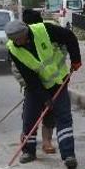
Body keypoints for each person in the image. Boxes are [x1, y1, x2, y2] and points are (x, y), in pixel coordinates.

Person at [4, 18, 82, 169]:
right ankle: (28, 151)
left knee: (63, 117)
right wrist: (44, 98)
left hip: (58, 80)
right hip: (36, 86)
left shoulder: (44, 30)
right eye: (14, 40)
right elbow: (29, 77)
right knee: (29, 117)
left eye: (19, 39)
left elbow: (69, 37)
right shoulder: (13, 49)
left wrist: (76, 59)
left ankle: (69, 156)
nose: (17, 43)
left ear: (25, 33)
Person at [19, 9, 56, 155]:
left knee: (49, 112)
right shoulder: (18, 40)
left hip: (50, 82)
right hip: (32, 86)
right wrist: (27, 83)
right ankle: (27, 138)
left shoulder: (47, 34)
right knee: (29, 114)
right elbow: (17, 69)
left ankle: (47, 141)